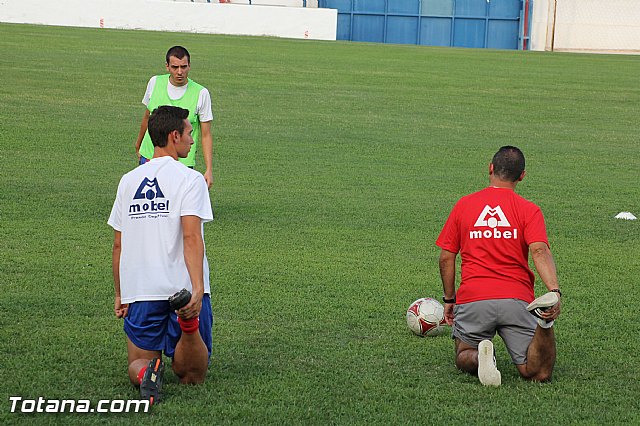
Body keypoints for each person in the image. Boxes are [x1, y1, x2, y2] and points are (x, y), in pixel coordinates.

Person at [109, 105, 214, 403]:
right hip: (183, 288)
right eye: (189, 134)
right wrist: (196, 290)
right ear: (174, 136)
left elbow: (118, 244)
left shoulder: (128, 181)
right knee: (192, 376)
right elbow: (191, 236)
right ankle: (188, 322)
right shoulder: (190, 180)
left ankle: (146, 377)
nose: (192, 141)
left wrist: (121, 294)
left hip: (141, 290)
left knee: (138, 363)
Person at [436, 146, 562, 386]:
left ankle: (481, 356)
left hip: (474, 299)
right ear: (522, 176)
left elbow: (446, 257)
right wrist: (554, 291)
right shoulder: (529, 209)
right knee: (537, 372)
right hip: (516, 299)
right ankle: (544, 322)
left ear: (490, 168)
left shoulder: (464, 205)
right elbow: (539, 250)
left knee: (463, 355)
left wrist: (450, 300)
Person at [134, 45, 214, 189]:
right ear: (167, 67)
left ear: (189, 66)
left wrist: (209, 169)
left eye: (183, 67)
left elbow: (206, 134)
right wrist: (139, 144)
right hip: (150, 155)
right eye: (175, 67)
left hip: (182, 161)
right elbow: (147, 117)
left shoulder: (201, 93)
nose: (179, 72)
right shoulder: (154, 83)